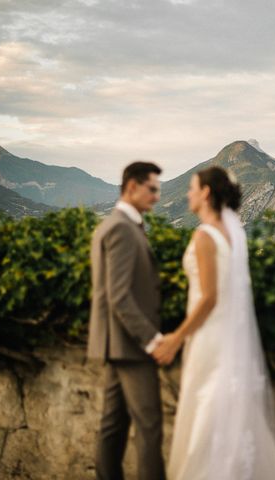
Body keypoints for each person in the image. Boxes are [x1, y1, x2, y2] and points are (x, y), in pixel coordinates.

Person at [153, 166, 275, 480]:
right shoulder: (234, 233)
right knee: (226, 414)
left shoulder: (204, 236)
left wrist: (176, 338)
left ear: (205, 193)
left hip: (209, 338)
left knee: (207, 414)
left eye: (191, 188)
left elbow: (209, 298)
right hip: (227, 336)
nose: (188, 194)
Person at [87, 161, 166, 480]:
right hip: (130, 344)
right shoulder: (121, 228)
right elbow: (118, 296)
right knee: (149, 427)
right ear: (132, 186)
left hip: (117, 342)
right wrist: (152, 339)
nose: (157, 197)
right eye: (152, 189)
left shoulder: (118, 224)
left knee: (113, 426)